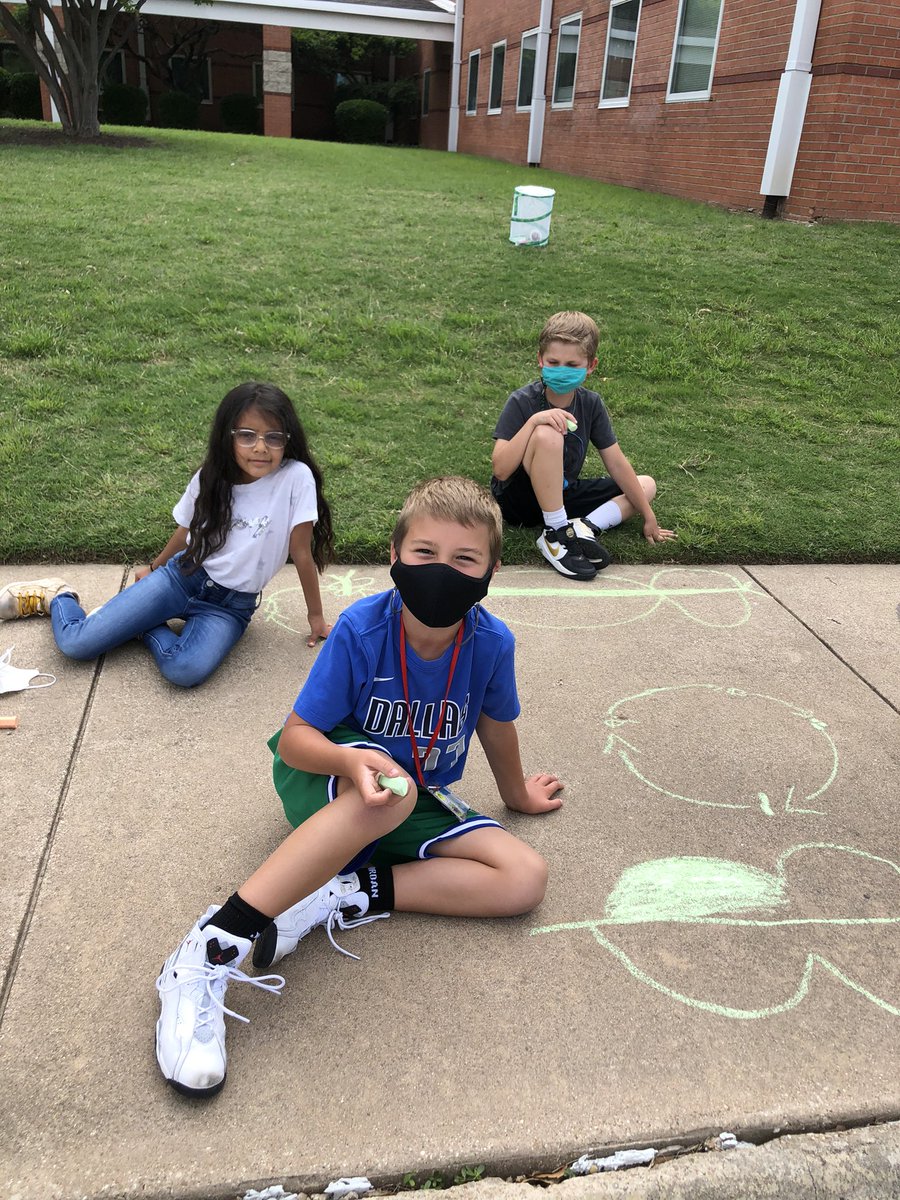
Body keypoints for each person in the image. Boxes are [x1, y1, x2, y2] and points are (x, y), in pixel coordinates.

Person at [155, 476, 563, 1096]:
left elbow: (496, 726)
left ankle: (338, 893)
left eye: (464, 559)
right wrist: (350, 764)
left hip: (408, 792)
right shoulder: (363, 628)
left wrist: (518, 796)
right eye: (425, 553)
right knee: (389, 790)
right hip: (328, 776)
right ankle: (211, 948)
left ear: (492, 570)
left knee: (523, 878)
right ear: (394, 556)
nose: (442, 570)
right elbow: (296, 739)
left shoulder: (492, 642)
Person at [0, 382, 334, 687]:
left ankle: (143, 625)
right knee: (76, 644)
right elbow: (187, 530)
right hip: (183, 577)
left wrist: (315, 617)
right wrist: (155, 567)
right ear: (227, 436)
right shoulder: (211, 478)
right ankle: (57, 596)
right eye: (247, 435)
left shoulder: (295, 477)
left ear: (287, 440)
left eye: (273, 437)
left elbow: (301, 553)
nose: (260, 447)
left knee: (184, 670)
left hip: (229, 607)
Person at [491, 310, 676, 581]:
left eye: (572, 364)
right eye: (553, 362)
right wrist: (533, 423)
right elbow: (501, 471)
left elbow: (615, 462)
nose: (561, 370)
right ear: (540, 360)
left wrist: (648, 516)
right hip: (518, 500)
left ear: (591, 365)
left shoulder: (590, 403)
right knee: (549, 433)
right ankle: (555, 535)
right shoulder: (522, 401)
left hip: (561, 496)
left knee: (645, 485)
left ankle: (583, 528)